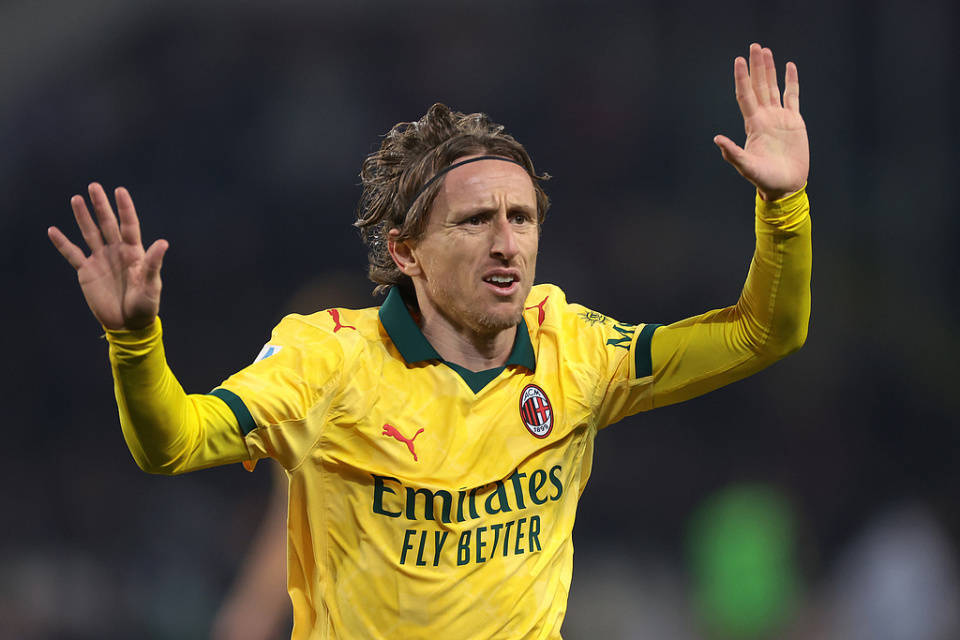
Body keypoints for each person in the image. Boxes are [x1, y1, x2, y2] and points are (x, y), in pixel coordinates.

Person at [48, 43, 811, 640]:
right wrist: (135, 340)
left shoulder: (574, 348)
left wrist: (784, 207)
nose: (507, 243)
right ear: (406, 251)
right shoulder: (328, 362)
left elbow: (762, 332)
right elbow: (173, 443)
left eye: (522, 218)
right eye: (475, 221)